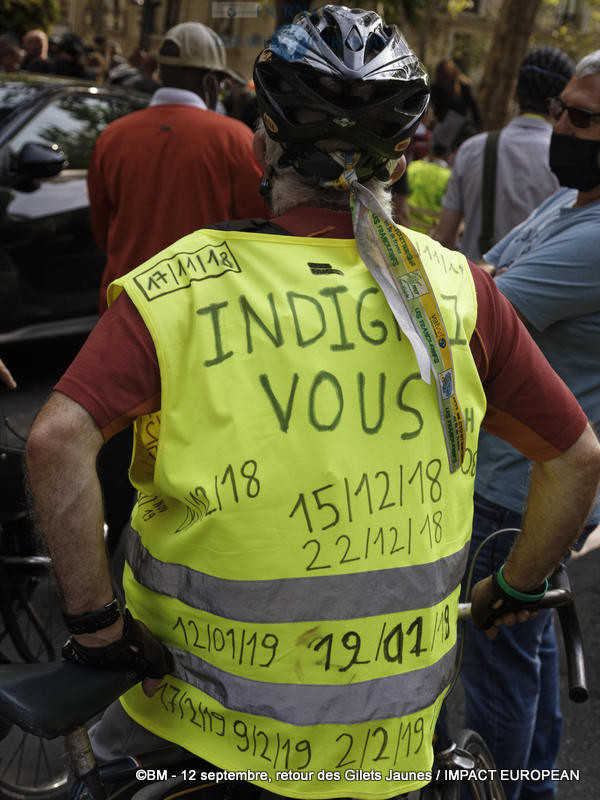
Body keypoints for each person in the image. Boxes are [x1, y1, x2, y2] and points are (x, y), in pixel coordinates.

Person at [25, 7, 600, 800]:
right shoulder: (459, 293)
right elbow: (575, 459)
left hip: (196, 736)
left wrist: (96, 632)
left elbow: (55, 442)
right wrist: (517, 589)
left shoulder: (178, 287)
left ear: (262, 141)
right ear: (398, 163)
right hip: (388, 751)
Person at [459, 49, 600, 800]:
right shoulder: (572, 199)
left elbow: (481, 307)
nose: (561, 126)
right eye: (562, 110)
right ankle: (535, 788)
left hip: (518, 487)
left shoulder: (596, 233)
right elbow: (485, 269)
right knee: (529, 646)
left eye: (582, 118)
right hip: (529, 480)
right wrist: (484, 279)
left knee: (499, 667)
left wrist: (483, 281)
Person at [87, 21, 264, 555]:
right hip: (206, 339)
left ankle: (100, 567)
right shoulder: (235, 140)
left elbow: (103, 232)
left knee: (118, 467)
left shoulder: (112, 137)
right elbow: (262, 240)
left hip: (123, 328)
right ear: (212, 82)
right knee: (195, 466)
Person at [434, 47, 575, 261]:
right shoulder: (571, 161)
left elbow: (444, 238)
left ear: (515, 90)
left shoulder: (473, 150)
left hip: (472, 290)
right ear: (561, 103)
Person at [430, 58, 482, 137]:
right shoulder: (436, 88)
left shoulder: (463, 87)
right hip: (449, 128)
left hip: (453, 128)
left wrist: (478, 125)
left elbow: (473, 107)